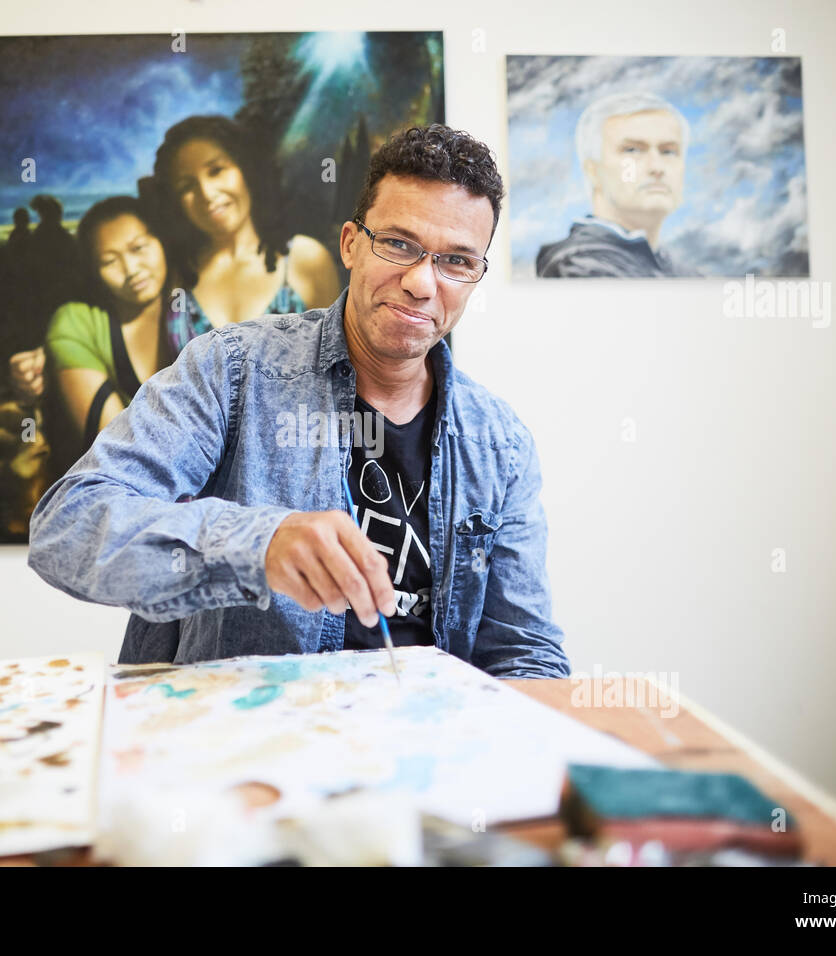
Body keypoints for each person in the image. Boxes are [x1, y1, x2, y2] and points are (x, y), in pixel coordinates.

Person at [28, 123, 570, 680]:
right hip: (243, 745)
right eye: (399, 244)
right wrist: (257, 544)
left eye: (456, 261)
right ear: (351, 245)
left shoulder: (499, 443)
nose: (422, 284)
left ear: (475, 276)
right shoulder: (230, 370)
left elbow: (525, 654)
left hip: (426, 751)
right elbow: (67, 527)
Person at [34, 195, 199, 473]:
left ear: (162, 242)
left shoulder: (202, 299)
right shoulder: (76, 322)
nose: (131, 270)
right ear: (93, 272)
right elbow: (120, 453)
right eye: (109, 261)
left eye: (139, 248)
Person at [152, 115, 341, 340]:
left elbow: (337, 365)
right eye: (187, 186)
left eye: (216, 170)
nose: (207, 194)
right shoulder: (179, 277)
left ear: (246, 170)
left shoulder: (306, 259)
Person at [536, 91, 689, 278]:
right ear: (593, 170)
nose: (656, 167)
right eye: (633, 150)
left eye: (668, 151)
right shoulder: (577, 266)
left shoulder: (679, 270)